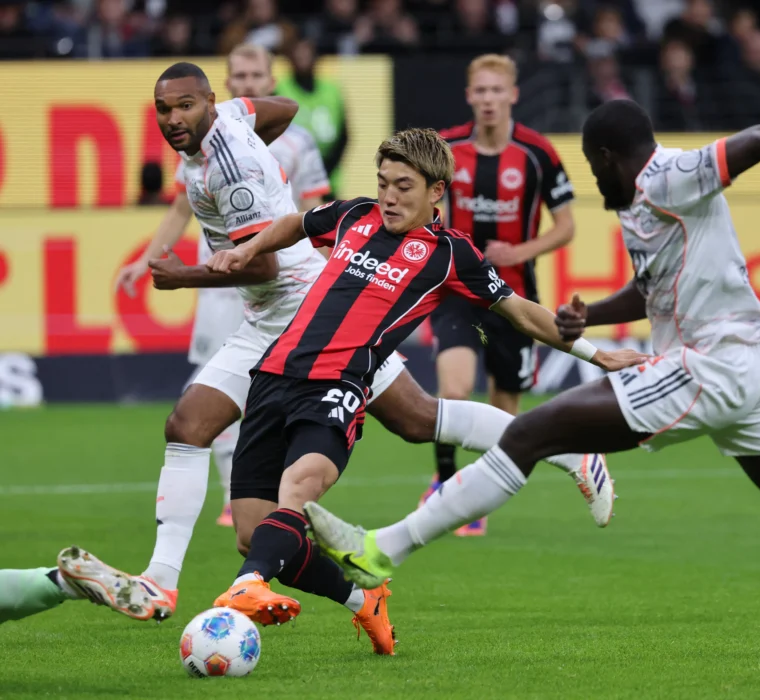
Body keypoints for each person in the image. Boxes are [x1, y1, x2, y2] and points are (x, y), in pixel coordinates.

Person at [304, 101, 760, 661]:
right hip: (750, 363)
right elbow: (652, 294)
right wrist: (591, 315)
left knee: (535, 432)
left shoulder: (671, 175)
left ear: (610, 157)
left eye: (594, 168)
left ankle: (381, 550)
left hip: (712, 365)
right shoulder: (642, 210)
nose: (594, 182)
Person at [50, 65, 615, 638]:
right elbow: (284, 140)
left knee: (406, 423)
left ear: (210, 102)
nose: (174, 119)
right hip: (267, 324)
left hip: (309, 313)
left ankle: (167, 580)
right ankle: (352, 597)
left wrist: (190, 274)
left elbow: (266, 263)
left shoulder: (237, 172)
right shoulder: (277, 153)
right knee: (241, 501)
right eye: (165, 109)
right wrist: (249, 186)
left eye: (186, 107)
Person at [197, 127, 644, 634]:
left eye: (403, 186)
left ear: (436, 191)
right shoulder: (354, 214)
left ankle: (248, 583)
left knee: (299, 488)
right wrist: (246, 251)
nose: (389, 196)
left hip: (338, 386)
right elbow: (295, 223)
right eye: (383, 182)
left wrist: (596, 354)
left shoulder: (449, 253)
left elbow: (522, 312)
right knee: (252, 533)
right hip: (272, 376)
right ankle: (363, 599)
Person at [115, 44, 333, 529]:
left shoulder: (290, 144)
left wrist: (327, 270)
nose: (248, 82)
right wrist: (150, 260)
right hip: (230, 285)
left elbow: (312, 210)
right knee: (209, 394)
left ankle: (278, 496)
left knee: (401, 411)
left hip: (282, 284)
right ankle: (239, 497)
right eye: (241, 75)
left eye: (256, 75)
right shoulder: (204, 138)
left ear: (269, 79)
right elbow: (181, 207)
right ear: (228, 84)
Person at [429, 54, 577, 535]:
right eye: (481, 91)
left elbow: (566, 226)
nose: (489, 99)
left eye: (497, 90)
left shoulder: (537, 153)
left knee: (501, 413)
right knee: (454, 391)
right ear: (469, 96)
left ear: (512, 95)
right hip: (457, 290)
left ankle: (475, 498)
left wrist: (518, 252)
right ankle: (443, 482)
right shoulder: (447, 147)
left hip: (515, 299)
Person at [275, 40, 348, 197]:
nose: (303, 61)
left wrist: (324, 172)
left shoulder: (332, 90)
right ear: (290, 60)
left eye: (307, 56)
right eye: (298, 56)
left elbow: (344, 136)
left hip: (328, 177)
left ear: (316, 59)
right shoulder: (279, 90)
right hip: (291, 180)